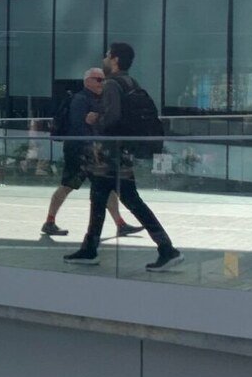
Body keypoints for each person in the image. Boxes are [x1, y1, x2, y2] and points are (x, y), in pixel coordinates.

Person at [64, 42, 182, 271]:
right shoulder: (131, 83)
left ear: (115, 59)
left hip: (109, 155)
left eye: (107, 55)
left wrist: (95, 119)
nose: (104, 59)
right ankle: (91, 248)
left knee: (115, 199)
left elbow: (112, 118)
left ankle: (166, 249)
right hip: (123, 153)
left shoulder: (111, 84)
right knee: (111, 198)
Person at [41, 68, 143, 239]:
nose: (102, 83)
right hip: (79, 153)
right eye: (98, 79)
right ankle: (49, 221)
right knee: (68, 186)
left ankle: (120, 224)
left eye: (103, 80)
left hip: (93, 153)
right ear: (87, 81)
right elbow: (79, 128)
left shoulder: (96, 99)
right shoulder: (80, 100)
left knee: (106, 186)